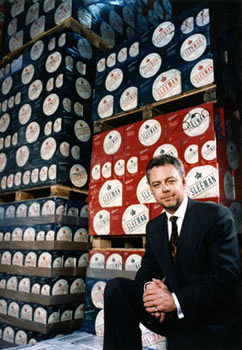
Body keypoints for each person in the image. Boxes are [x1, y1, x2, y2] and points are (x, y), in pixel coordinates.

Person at [103, 154, 241, 350]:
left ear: (183, 181)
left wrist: (175, 301)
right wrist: (151, 291)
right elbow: (147, 268)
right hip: (170, 313)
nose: (164, 189)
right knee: (116, 289)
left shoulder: (215, 216)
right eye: (157, 184)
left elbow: (228, 277)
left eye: (170, 181)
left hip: (206, 316)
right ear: (151, 190)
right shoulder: (154, 227)